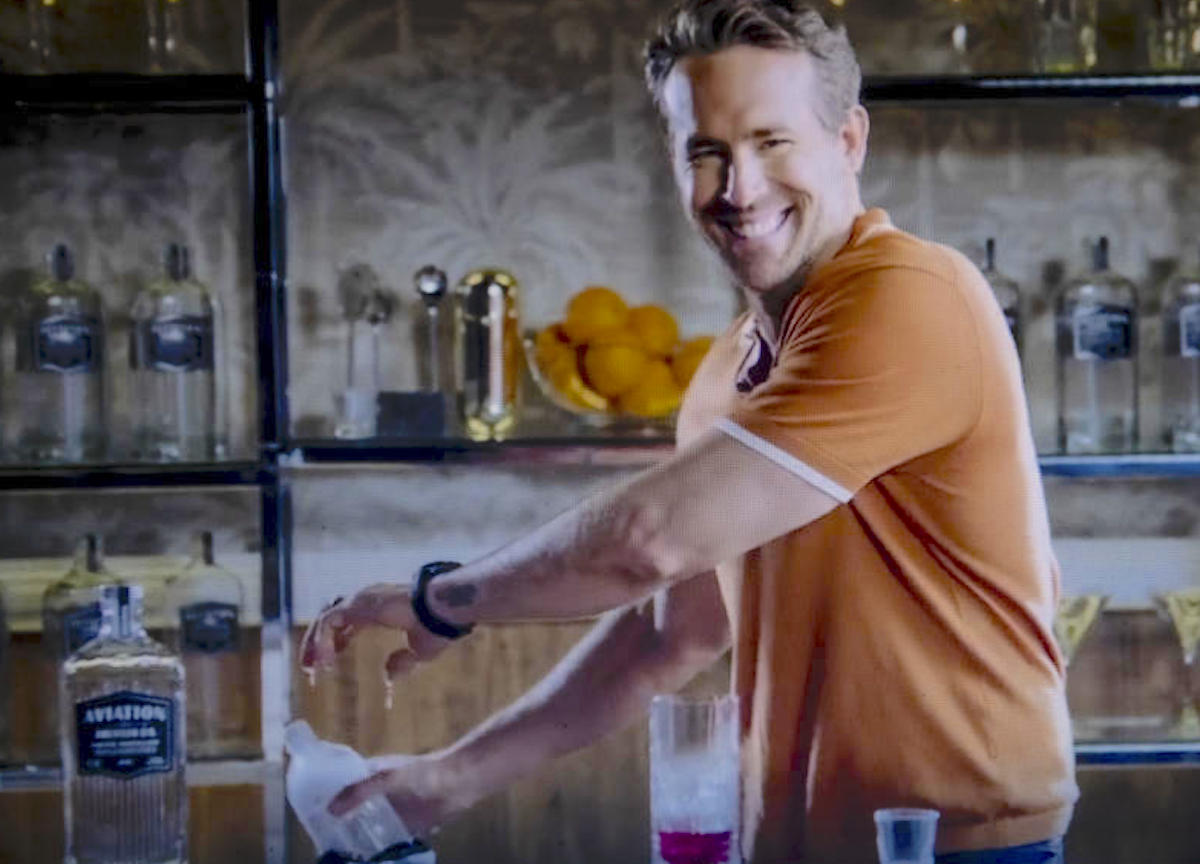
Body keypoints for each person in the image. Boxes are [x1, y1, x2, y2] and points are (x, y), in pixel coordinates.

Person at [300, 2, 1078, 862]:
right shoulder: (728, 369)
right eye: (707, 153)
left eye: (772, 142)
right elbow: (667, 635)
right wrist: (446, 780)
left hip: (960, 846)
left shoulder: (910, 296)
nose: (740, 189)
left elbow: (647, 541)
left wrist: (437, 600)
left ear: (849, 140)